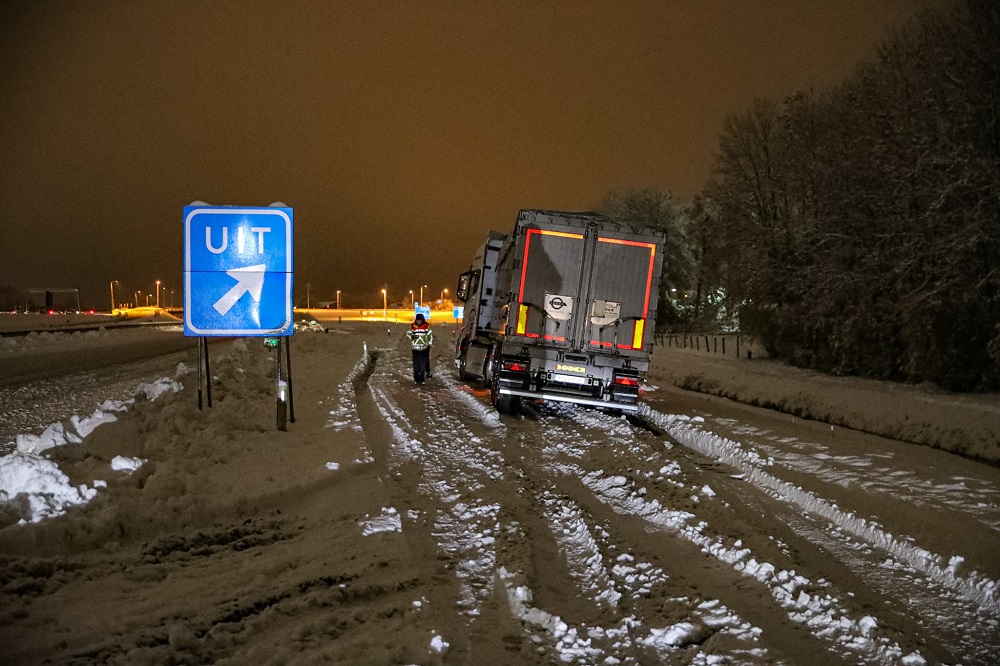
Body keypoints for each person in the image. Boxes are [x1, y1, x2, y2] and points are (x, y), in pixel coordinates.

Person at [406, 313, 434, 384]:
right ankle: (416, 380)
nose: (419, 322)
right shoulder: (412, 326)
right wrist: (412, 337)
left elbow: (430, 336)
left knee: (422, 366)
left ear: (422, 320)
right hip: (415, 349)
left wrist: (429, 345)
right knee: (416, 366)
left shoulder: (426, 326)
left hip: (424, 349)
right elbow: (408, 334)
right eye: (418, 320)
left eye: (420, 320)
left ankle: (422, 380)